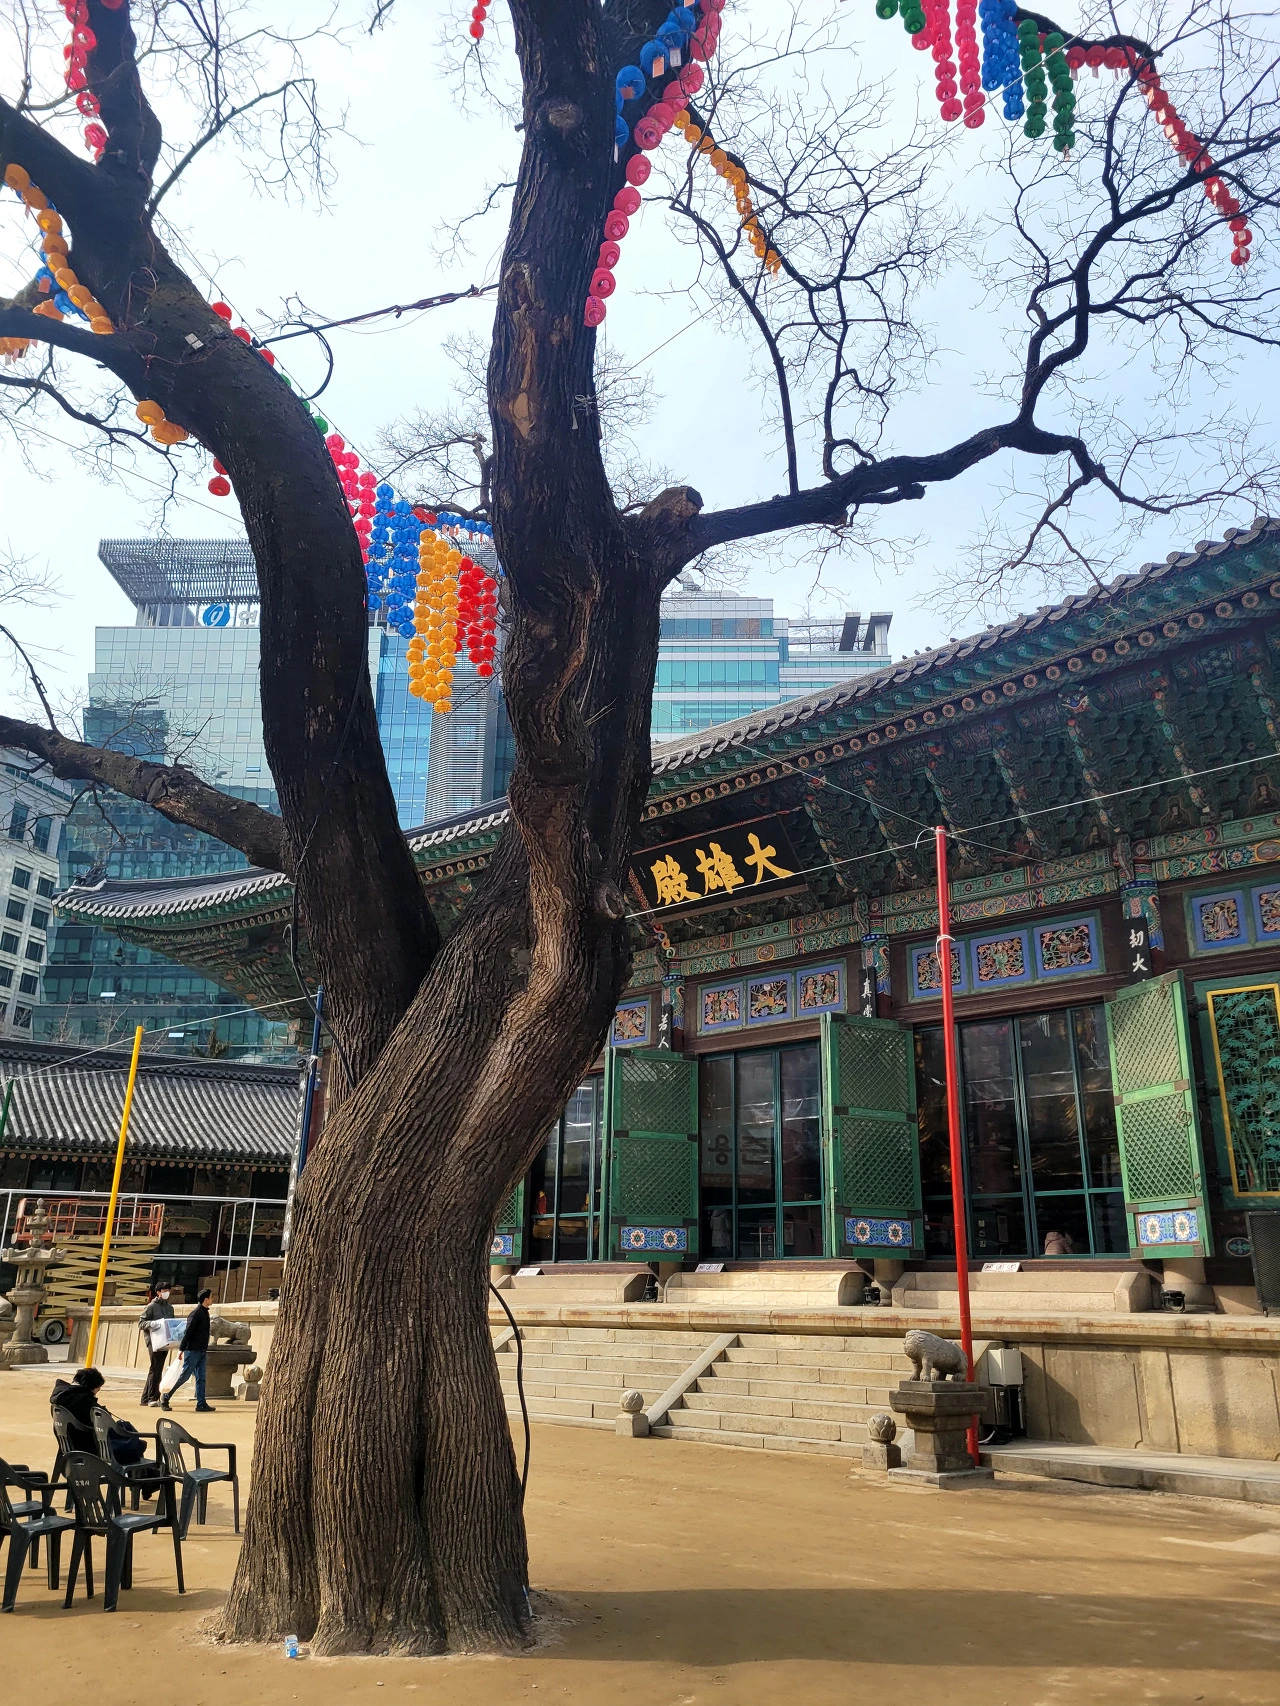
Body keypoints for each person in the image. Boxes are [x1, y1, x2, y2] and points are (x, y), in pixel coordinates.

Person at [51, 1367, 147, 1465]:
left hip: (71, 1446)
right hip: (92, 1449)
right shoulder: (85, 1402)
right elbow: (105, 1421)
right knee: (135, 1442)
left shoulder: (60, 1399)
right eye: (98, 1388)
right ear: (92, 1387)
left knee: (132, 1438)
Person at [161, 1288, 214, 1412]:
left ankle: (201, 1403)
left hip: (201, 1350)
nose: (212, 1299)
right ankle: (166, 1397)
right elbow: (188, 1332)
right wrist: (182, 1349)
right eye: (211, 1297)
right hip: (193, 1350)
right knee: (184, 1376)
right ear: (206, 1299)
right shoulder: (196, 1313)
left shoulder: (204, 1312)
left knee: (201, 1377)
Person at [138, 1283, 175, 1406]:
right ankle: (152, 1398)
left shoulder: (170, 1308)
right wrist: (151, 1324)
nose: (167, 1293)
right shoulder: (151, 1306)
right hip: (154, 1342)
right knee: (156, 1369)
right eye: (164, 1291)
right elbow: (141, 1323)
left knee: (156, 1368)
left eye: (168, 1290)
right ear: (158, 1292)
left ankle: (146, 1398)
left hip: (166, 1341)